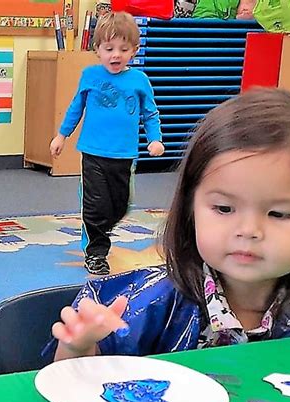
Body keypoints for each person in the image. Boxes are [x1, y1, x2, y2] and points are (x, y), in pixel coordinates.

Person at [45, 89, 290, 363]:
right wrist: (78, 346)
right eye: (224, 208)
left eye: (278, 214)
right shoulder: (147, 303)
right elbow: (70, 386)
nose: (249, 230)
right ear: (191, 208)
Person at [50, 11, 165, 275]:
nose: (115, 55)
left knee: (120, 206)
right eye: (109, 48)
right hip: (92, 153)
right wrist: (61, 136)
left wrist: (155, 139)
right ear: (98, 50)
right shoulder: (90, 76)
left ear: (134, 51)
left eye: (123, 49)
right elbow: (75, 108)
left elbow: (150, 113)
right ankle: (95, 252)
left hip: (124, 155)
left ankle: (98, 229)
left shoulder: (139, 80)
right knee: (95, 205)